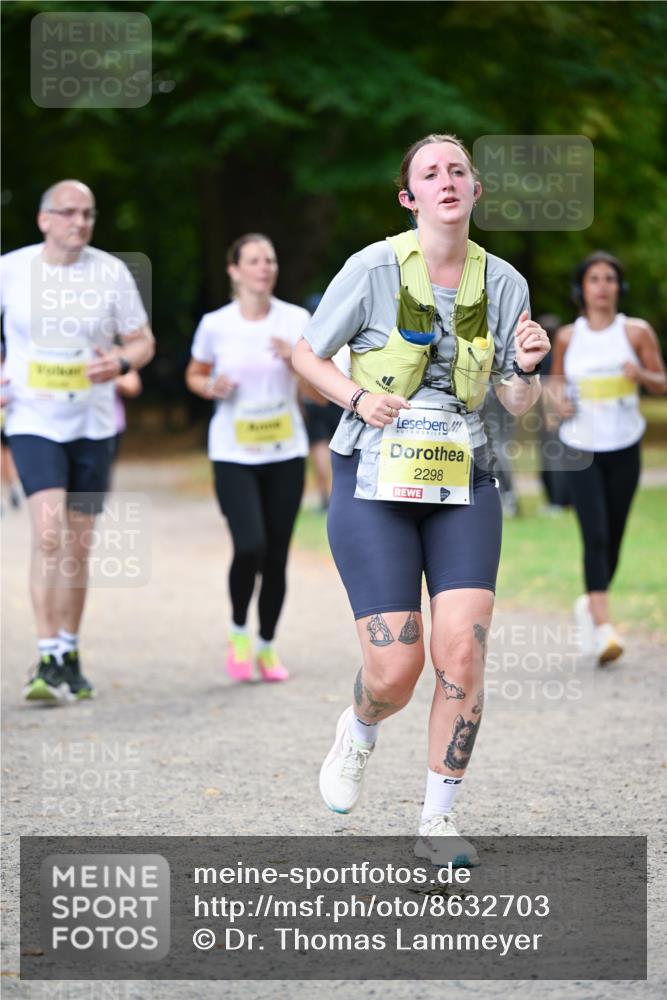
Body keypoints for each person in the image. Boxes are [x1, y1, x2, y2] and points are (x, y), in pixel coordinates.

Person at [293, 134, 550, 864]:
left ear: (474, 192)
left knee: (461, 654)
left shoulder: (502, 283)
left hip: (463, 480)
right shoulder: (371, 268)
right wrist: (354, 395)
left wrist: (527, 368)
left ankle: (436, 823)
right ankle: (360, 728)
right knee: (394, 669)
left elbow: (514, 401)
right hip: (372, 479)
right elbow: (305, 353)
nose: (445, 180)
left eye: (457, 170)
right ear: (409, 197)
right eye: (429, 173)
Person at [0, 179, 155, 702]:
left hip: (93, 423)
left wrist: (124, 361)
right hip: (32, 419)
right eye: (67, 212)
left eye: (87, 213)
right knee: (48, 534)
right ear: (44, 219)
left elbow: (142, 339)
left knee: (77, 544)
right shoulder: (11, 270)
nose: (79, 222)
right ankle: (46, 655)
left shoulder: (110, 272)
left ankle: (69, 650)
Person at [185, 233, 310, 683]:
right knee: (250, 545)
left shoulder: (297, 320)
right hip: (233, 453)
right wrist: (209, 386)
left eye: (270, 260)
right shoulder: (216, 324)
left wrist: (296, 361)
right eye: (254, 260)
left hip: (286, 451)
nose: (265, 267)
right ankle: (239, 630)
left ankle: (267, 646)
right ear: (234, 270)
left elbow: (317, 391)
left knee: (276, 555)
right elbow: (195, 373)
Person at [549, 252, 666, 664]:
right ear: (581, 288)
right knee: (594, 534)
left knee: (614, 535)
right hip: (580, 446)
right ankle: (603, 628)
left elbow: (662, 383)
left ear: (620, 287)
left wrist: (643, 376)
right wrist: (558, 403)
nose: (602, 286)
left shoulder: (635, 332)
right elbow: (556, 387)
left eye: (610, 279)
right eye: (594, 279)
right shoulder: (567, 336)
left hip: (625, 444)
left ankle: (591, 603)